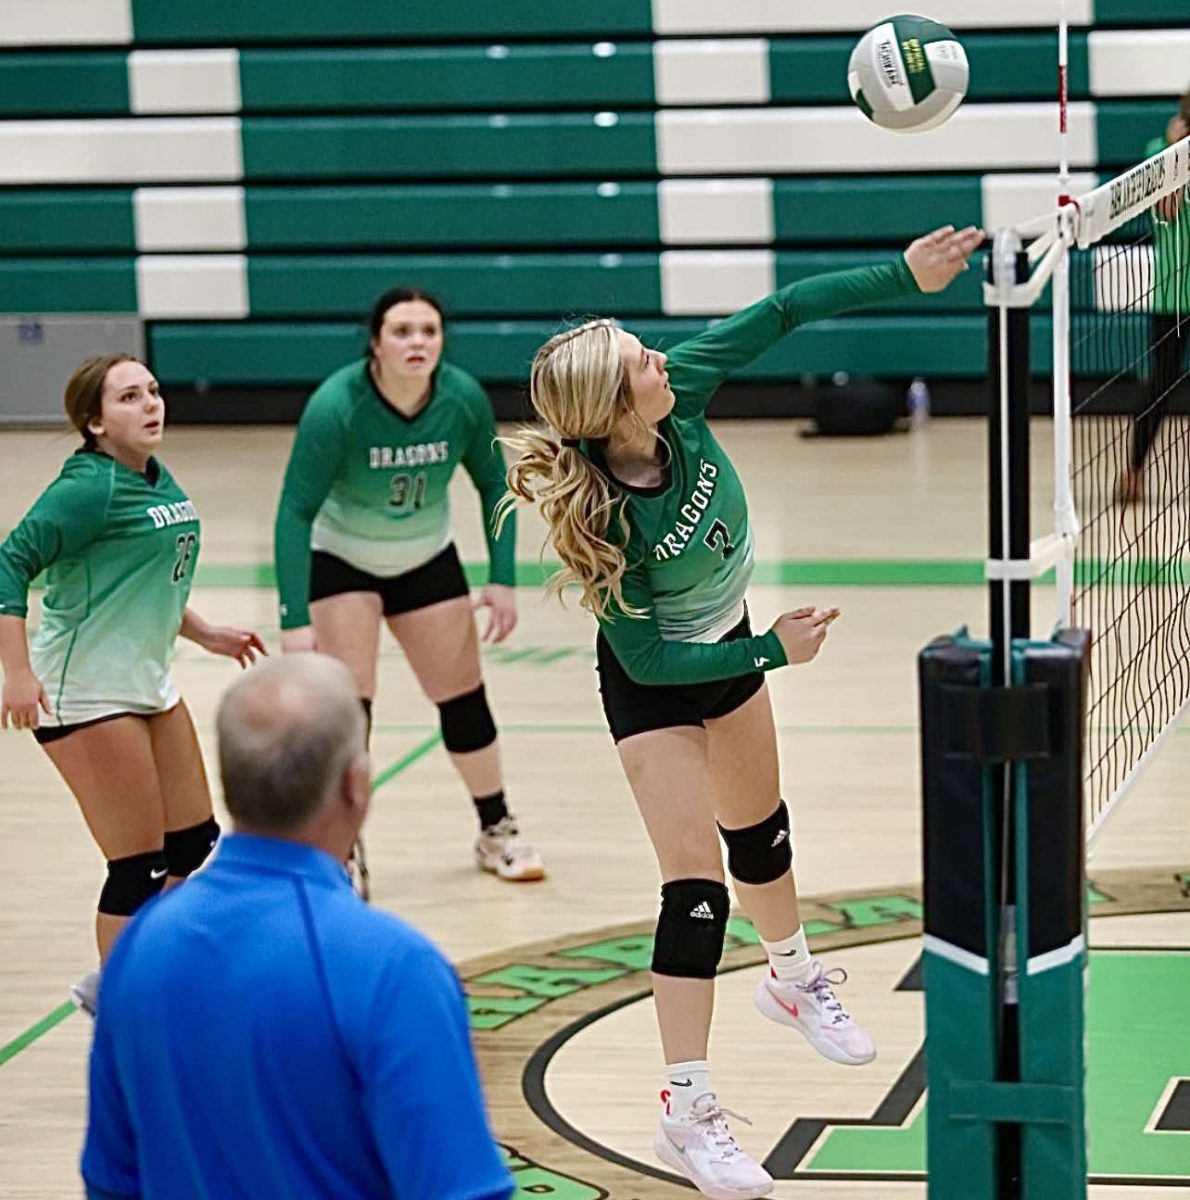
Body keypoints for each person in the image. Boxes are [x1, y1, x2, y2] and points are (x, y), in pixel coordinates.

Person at [500, 225, 983, 1198]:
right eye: (639, 359)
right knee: (696, 889)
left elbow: (782, 311)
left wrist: (906, 273)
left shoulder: (682, 391)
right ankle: (686, 1111)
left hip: (728, 644)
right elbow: (652, 657)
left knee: (760, 837)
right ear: (611, 404)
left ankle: (791, 976)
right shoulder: (603, 521)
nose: (657, 357)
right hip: (659, 684)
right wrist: (773, 652)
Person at [81, 653, 514, 1200]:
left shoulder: (138, 949)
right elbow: (460, 1190)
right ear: (356, 783)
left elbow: (111, 1180)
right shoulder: (394, 969)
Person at [0, 354, 264, 1013]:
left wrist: (204, 633)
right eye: (128, 398)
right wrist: (17, 673)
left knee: (195, 840)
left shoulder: (152, 475)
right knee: (138, 864)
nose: (150, 405)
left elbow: (144, 579)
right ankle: (129, 1008)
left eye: (152, 391)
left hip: (147, 680)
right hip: (84, 690)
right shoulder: (88, 488)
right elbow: (9, 566)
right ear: (94, 422)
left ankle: (128, 971)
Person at [274, 287, 544, 884]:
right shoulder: (336, 405)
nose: (417, 342)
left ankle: (495, 828)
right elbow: (295, 510)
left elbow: (496, 485)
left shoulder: (461, 397)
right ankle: (337, 849)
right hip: (344, 561)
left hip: (426, 557)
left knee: (464, 698)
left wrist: (503, 579)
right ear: (375, 342)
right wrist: (295, 618)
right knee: (351, 707)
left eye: (428, 330)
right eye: (402, 331)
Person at [1117, 89, 1190, 505]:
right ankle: (1132, 470)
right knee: (1160, 386)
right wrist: (1177, 153)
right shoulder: (1159, 151)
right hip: (1174, 297)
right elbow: (1166, 210)